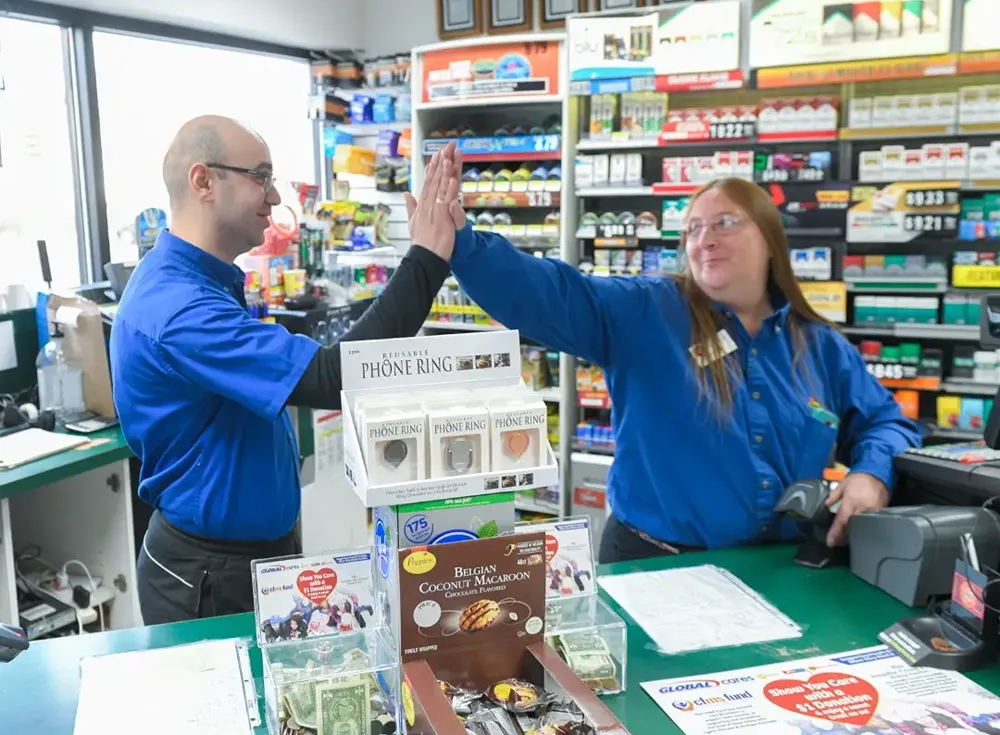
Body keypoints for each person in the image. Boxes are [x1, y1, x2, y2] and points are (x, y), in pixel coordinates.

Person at [439, 145, 921, 563]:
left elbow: (888, 422)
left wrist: (870, 475)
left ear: (771, 238)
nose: (704, 239)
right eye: (692, 229)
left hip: (782, 568)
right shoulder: (649, 311)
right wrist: (463, 242)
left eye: (725, 223)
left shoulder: (817, 344)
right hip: (654, 564)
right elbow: (550, 293)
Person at [111, 118, 460, 624]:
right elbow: (331, 375)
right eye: (260, 176)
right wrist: (426, 260)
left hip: (250, 556)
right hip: (208, 575)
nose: (275, 196)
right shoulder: (179, 306)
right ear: (203, 181)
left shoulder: (205, 280)